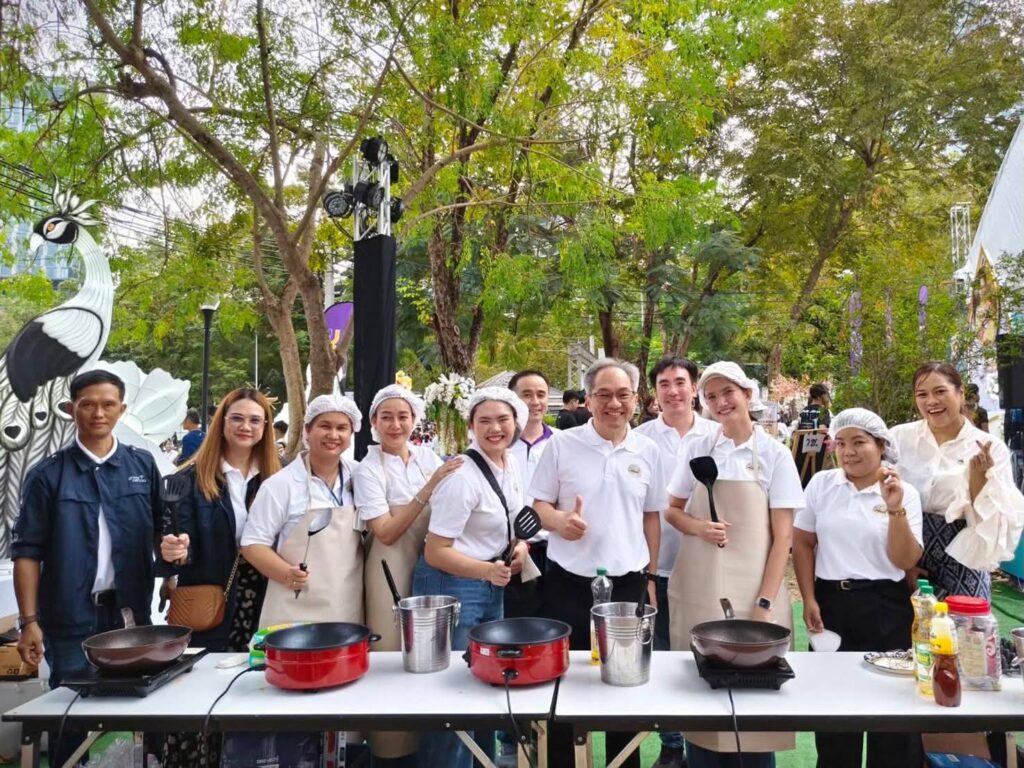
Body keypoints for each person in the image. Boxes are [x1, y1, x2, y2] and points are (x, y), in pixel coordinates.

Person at [13, 370, 163, 767]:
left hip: (129, 615)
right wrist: (29, 622)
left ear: (122, 409)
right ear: (71, 409)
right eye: (88, 405)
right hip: (70, 617)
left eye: (108, 404)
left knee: (140, 712)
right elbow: (26, 552)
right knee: (71, 717)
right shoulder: (47, 474)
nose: (98, 413)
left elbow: (161, 530)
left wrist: (173, 561)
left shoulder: (142, 465)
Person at [665, 361, 804, 768]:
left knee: (755, 710)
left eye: (728, 392)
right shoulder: (698, 448)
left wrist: (763, 604)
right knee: (703, 705)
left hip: (756, 593)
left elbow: (783, 538)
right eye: (711, 396)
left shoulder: (775, 454)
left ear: (747, 394)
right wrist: (699, 527)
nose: (720, 402)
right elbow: (672, 510)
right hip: (701, 590)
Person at [531, 358, 664, 768]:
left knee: (624, 688)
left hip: (627, 585)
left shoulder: (648, 450)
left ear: (636, 399)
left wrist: (650, 576)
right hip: (567, 582)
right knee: (564, 684)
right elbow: (538, 506)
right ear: (588, 400)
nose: (614, 404)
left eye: (623, 395)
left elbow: (651, 517)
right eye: (604, 395)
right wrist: (559, 521)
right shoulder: (562, 445)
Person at [793, 408, 924, 768]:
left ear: (881, 445)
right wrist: (809, 598)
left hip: (887, 607)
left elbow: (905, 559)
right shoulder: (822, 484)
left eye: (859, 442)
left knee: (893, 716)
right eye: (841, 443)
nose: (848, 452)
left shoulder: (904, 492)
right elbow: (802, 543)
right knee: (835, 716)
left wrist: (894, 508)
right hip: (832, 604)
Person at [158, 388, 282, 767]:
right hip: (210, 601)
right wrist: (174, 551)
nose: (246, 426)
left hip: (265, 601)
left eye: (255, 420)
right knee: (199, 699)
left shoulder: (280, 477)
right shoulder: (189, 478)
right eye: (237, 418)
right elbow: (173, 538)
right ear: (221, 424)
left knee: (255, 695)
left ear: (266, 427)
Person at [412, 388, 530, 768]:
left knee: (484, 682)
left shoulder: (511, 463)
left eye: (503, 420)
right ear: (471, 426)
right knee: (451, 693)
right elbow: (436, 551)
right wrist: (488, 570)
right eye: (485, 421)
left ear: (516, 423)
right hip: (452, 584)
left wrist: (520, 548)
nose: (495, 428)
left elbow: (512, 522)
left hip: (489, 581)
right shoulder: (462, 475)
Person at [354, 384, 463, 768]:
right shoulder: (368, 469)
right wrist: (430, 486)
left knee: (434, 650)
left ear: (415, 420)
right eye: (386, 417)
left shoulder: (427, 457)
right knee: (392, 651)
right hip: (390, 566)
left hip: (432, 562)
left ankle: (434, 745)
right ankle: (392, 752)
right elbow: (385, 531)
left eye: (403, 416)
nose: (395, 424)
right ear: (373, 422)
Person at [635, 356, 715, 768]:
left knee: (701, 652)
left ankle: (706, 741)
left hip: (707, 567)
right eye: (663, 384)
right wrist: (648, 572)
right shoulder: (641, 439)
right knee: (661, 653)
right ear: (654, 393)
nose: (673, 391)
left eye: (680, 382)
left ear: (695, 387)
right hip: (657, 565)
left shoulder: (717, 434)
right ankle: (671, 745)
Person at [891, 362, 1024, 599]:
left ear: (960, 393)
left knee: (966, 620)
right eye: (922, 394)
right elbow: (880, 498)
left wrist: (979, 478)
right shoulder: (899, 438)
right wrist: (905, 563)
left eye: (940, 391)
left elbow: (994, 520)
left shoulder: (990, 447)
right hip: (904, 548)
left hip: (962, 554)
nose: (932, 401)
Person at [241, 394, 364, 628]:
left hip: (349, 603)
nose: (333, 435)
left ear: (351, 435)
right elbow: (252, 544)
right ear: (307, 430)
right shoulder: (280, 485)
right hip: (296, 604)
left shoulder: (360, 476)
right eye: (324, 426)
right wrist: (286, 573)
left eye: (342, 428)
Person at [506, 369, 558, 618]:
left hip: (557, 551)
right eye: (526, 395)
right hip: (515, 553)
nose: (535, 402)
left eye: (541, 394)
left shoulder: (562, 442)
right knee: (520, 624)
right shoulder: (501, 445)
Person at [794, 383, 831, 487]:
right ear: (821, 396)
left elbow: (798, 429)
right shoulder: (823, 411)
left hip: (801, 452)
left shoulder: (804, 410)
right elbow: (822, 429)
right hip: (816, 452)